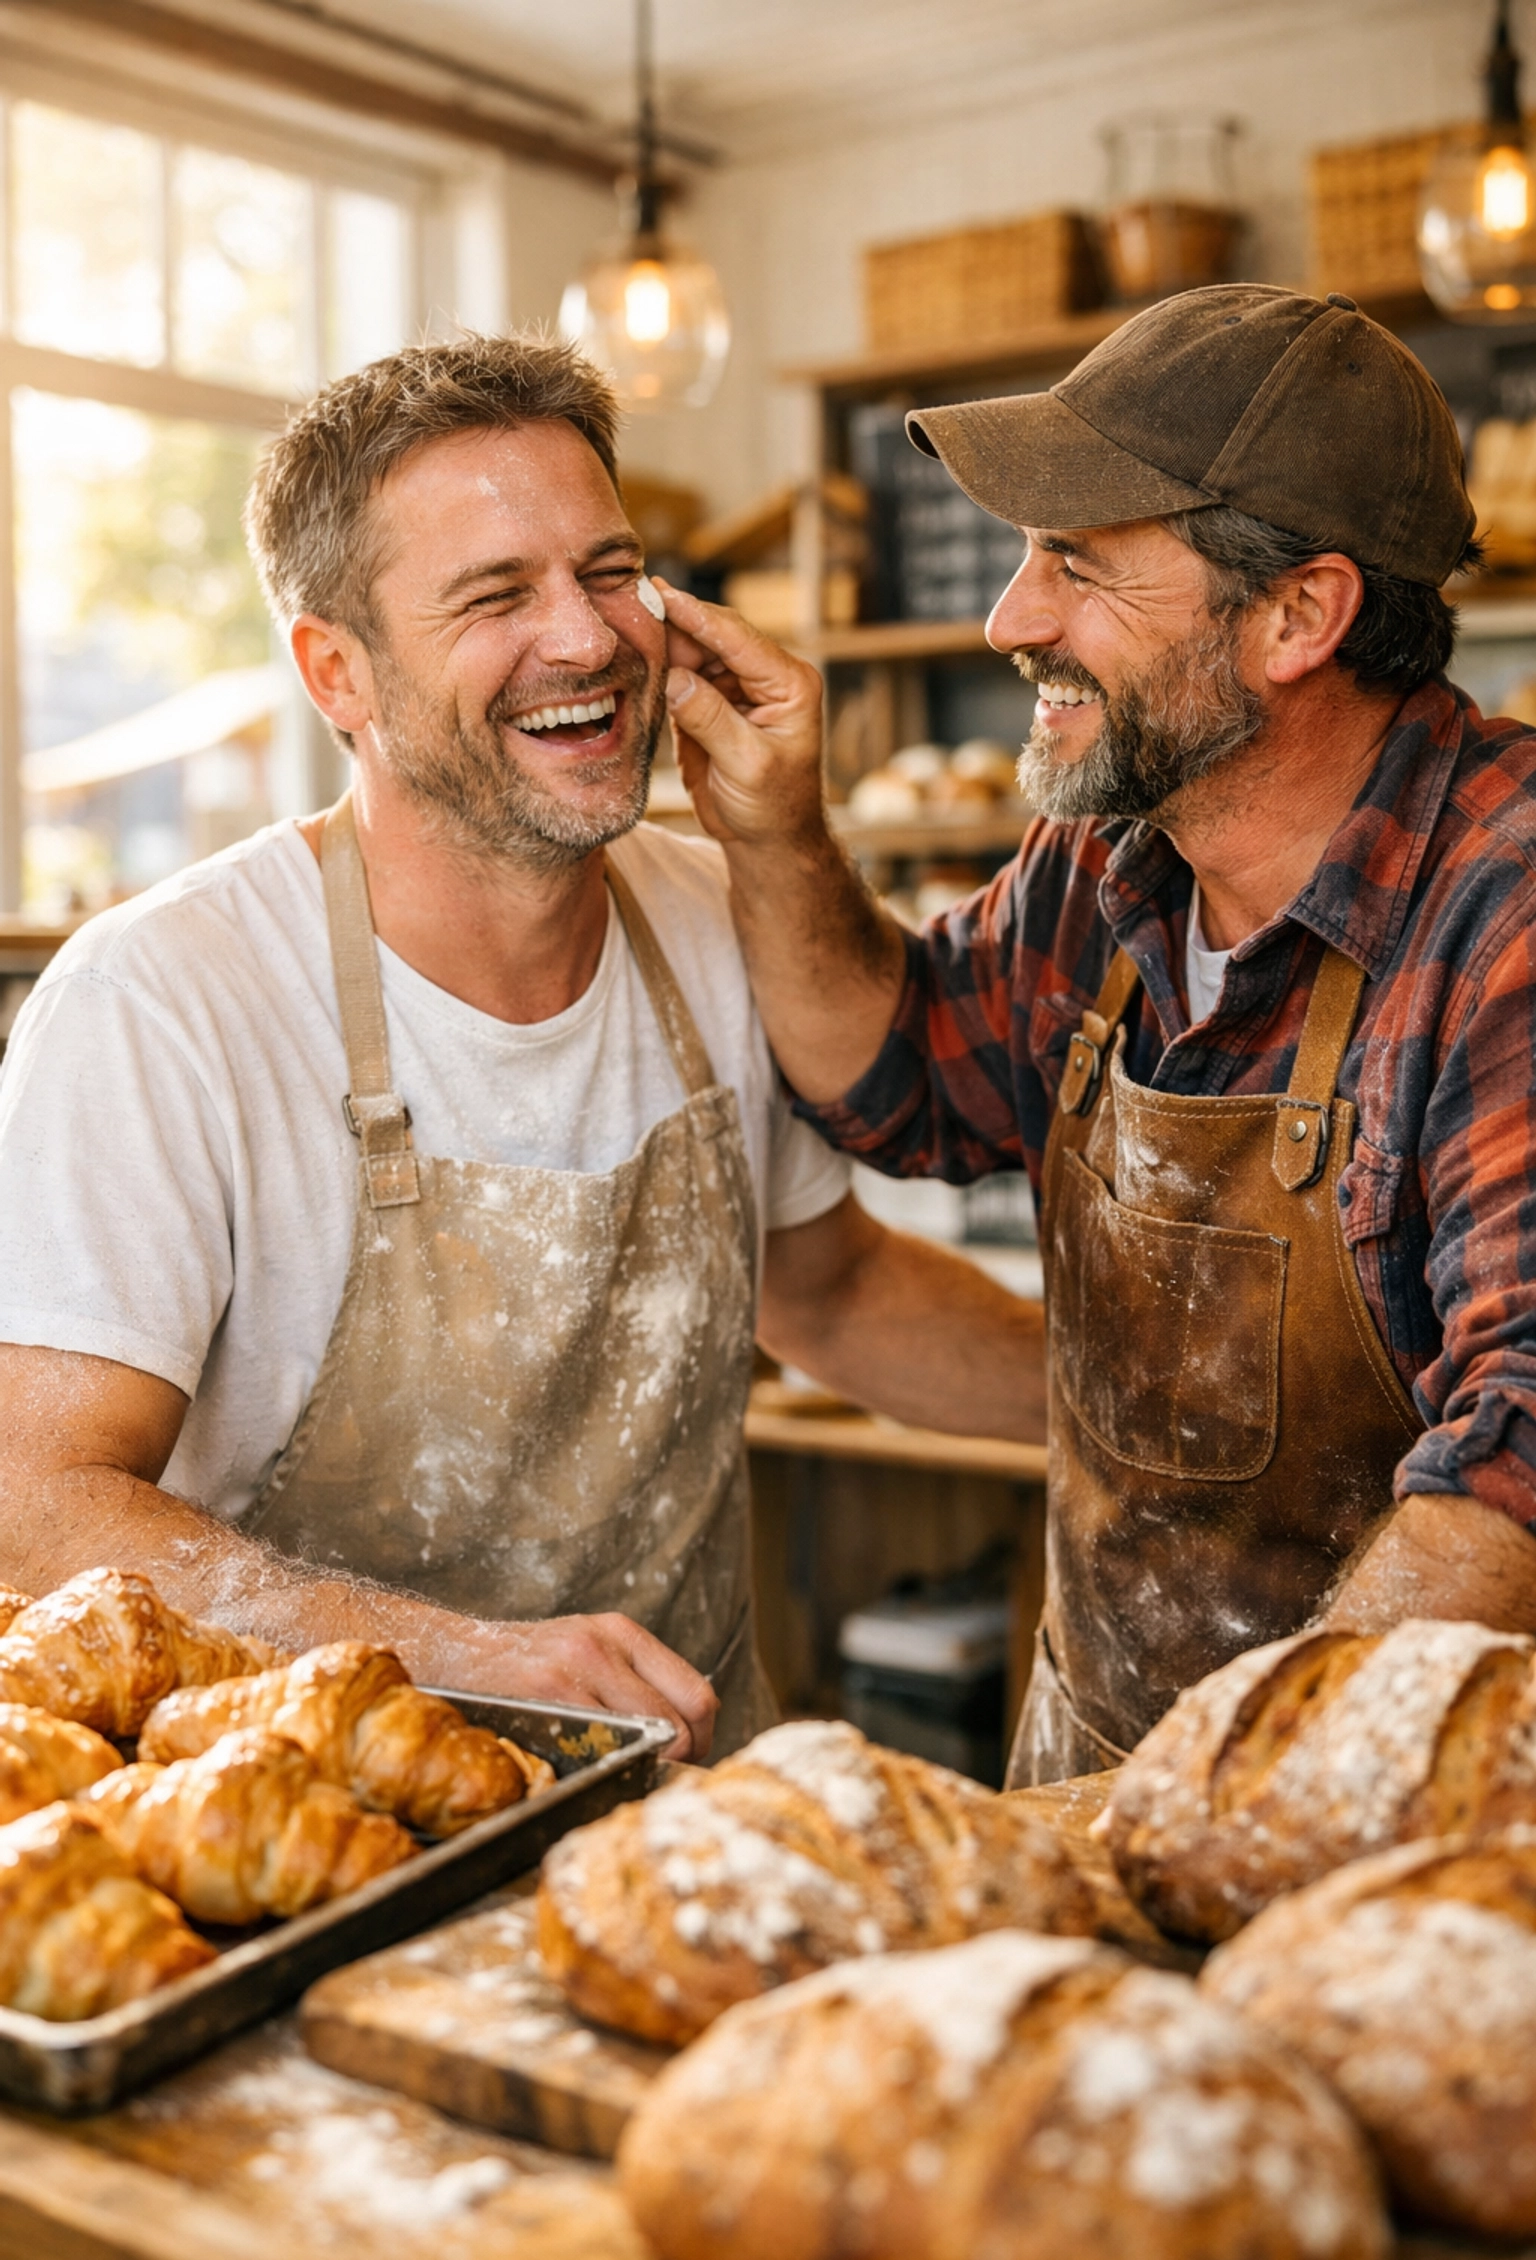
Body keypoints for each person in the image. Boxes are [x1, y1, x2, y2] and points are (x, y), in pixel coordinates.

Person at [0, 334, 1045, 1761]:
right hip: (308, 1842)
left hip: (687, 1813)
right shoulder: (165, 1000)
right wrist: (475, 1664)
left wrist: (1171, 1432)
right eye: (498, 595)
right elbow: (38, 1499)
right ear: (338, 674)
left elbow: (831, 1289)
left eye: (610, 572)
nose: (586, 638)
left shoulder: (711, 915)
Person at [655, 282, 1536, 1783]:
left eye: (1075, 564)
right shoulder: (1116, 855)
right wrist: (777, 834)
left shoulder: (1502, 908)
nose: (1012, 619)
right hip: (1098, 1780)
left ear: (1298, 615)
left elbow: (1519, 1460)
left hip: (1414, 1853)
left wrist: (1210, 1815)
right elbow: (904, 1075)